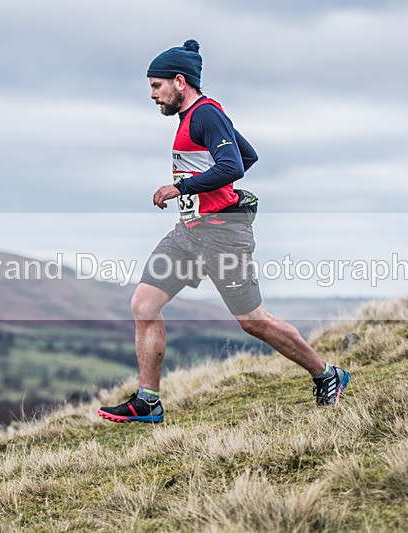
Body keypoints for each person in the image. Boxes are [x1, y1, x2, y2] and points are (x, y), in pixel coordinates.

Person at [98, 40, 349, 423]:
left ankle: (327, 374)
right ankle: (148, 401)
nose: (152, 95)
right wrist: (208, 190)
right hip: (189, 232)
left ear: (179, 81)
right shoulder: (193, 118)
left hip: (223, 234)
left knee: (253, 321)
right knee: (143, 305)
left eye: (156, 86)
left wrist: (181, 187)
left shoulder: (205, 114)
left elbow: (232, 164)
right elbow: (247, 156)